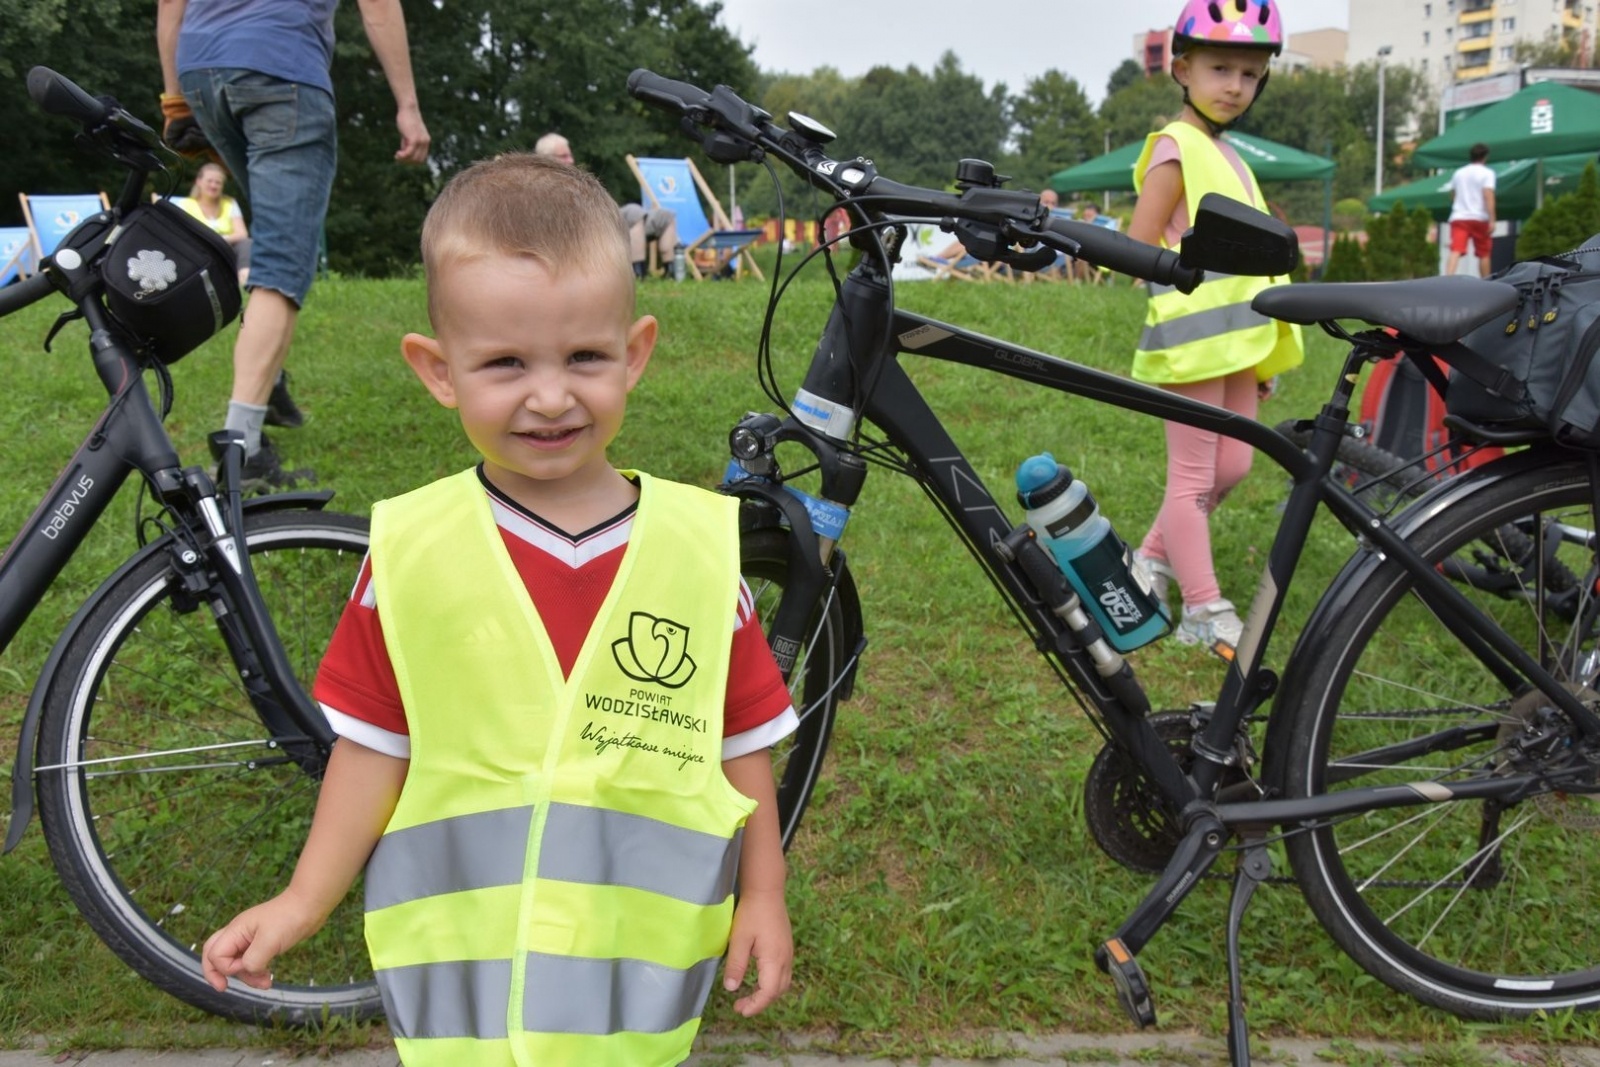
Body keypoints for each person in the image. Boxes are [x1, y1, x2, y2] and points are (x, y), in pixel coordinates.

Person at [198, 153, 796, 1065]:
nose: (550, 396)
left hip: (634, 1008)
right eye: (505, 362)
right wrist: (300, 901)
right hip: (459, 1014)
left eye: (586, 357)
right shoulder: (408, 552)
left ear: (634, 354)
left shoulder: (701, 552)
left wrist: (764, 893)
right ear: (439, 370)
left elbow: (742, 744)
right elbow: (369, 752)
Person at [157, 0, 431, 492]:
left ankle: (272, 376)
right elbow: (380, 7)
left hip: (202, 69)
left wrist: (176, 100)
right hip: (280, 71)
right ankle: (244, 452)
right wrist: (408, 106)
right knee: (283, 262)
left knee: (274, 228)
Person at [1125, 0, 1304, 661]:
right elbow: (1140, 246)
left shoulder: (1229, 154)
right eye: (1221, 67)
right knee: (1195, 478)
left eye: (1251, 74)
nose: (1235, 85)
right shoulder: (1177, 148)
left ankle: (1146, 559)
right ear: (1182, 68)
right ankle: (1205, 608)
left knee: (1236, 463)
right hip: (1196, 342)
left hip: (1239, 341)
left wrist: (1263, 355)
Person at [534, 131, 681, 279]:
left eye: (570, 155)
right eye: (564, 156)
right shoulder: (542, 184)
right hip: (590, 229)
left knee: (666, 216)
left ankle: (672, 271)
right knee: (633, 212)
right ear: (547, 158)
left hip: (605, 220)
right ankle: (637, 272)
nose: (571, 160)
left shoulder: (573, 178)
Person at [175, 160, 251, 285]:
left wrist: (219, 240)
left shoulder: (230, 204)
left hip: (227, 250)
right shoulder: (186, 205)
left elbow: (242, 234)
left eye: (218, 182)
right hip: (198, 252)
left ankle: (245, 280)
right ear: (198, 182)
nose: (213, 186)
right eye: (209, 181)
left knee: (246, 244)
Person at [1445, 142, 1497, 278]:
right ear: (1485, 157)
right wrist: (1492, 219)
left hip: (1460, 216)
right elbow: (1488, 195)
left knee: (1455, 249)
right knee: (1484, 253)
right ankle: (1486, 281)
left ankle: (1447, 279)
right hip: (1480, 217)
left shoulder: (1459, 173)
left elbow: (1453, 194)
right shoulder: (1487, 173)